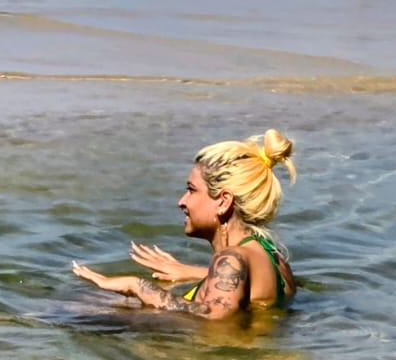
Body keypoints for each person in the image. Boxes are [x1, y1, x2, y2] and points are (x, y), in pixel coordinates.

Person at [72, 129, 297, 318]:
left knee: (75, 310)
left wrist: (137, 286)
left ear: (224, 201)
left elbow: (212, 318)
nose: (182, 201)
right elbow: (249, 292)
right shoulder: (273, 257)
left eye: (191, 190)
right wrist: (191, 272)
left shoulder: (232, 259)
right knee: (98, 302)